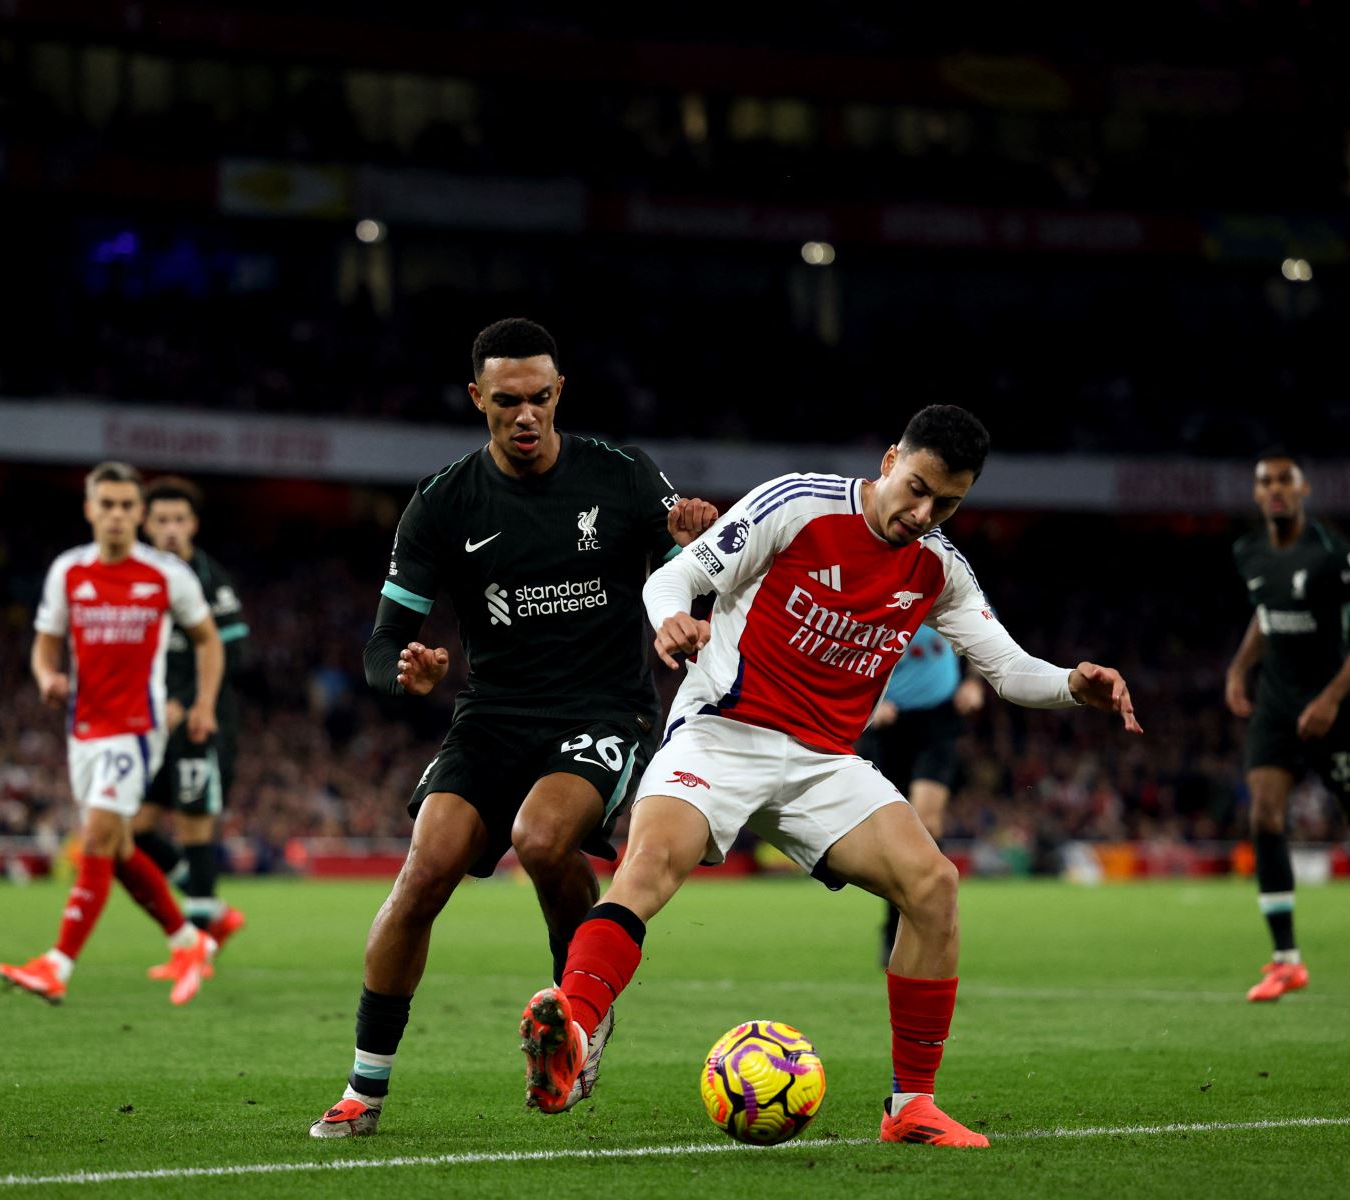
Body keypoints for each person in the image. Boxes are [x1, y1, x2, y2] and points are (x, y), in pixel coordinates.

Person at [517, 404, 1141, 1149]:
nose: (923, 513)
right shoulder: (799, 505)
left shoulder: (938, 567)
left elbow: (1006, 668)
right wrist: (670, 619)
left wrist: (1074, 682)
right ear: (888, 461)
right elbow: (677, 577)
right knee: (647, 868)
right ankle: (575, 1036)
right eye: (916, 488)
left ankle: (911, 1105)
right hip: (724, 732)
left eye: (947, 503)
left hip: (825, 763)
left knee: (933, 886)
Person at [309, 318, 717, 1138]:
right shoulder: (442, 501)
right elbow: (384, 640)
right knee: (424, 873)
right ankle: (364, 1090)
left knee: (540, 838)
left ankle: (579, 1021)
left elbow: (699, 558)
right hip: (491, 715)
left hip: (603, 707)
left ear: (559, 392)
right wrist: (402, 669)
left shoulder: (622, 475)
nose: (524, 416)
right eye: (506, 402)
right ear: (477, 400)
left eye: (538, 398)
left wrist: (694, 538)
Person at [0, 461, 226, 1006]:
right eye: (108, 505)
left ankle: (57, 964)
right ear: (90, 510)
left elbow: (208, 640)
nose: (118, 515)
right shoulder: (68, 572)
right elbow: (45, 641)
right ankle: (188, 940)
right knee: (118, 847)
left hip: (137, 729)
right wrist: (47, 676)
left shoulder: (166, 575)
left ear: (139, 514)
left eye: (128, 506)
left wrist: (204, 703)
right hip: (84, 728)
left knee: (97, 837)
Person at [1224, 450, 1350, 1004]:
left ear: (1303, 490)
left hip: (1336, 706)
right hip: (1277, 705)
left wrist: (1333, 698)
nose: (1276, 489)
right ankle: (1286, 961)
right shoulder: (1249, 551)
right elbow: (1267, 613)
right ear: (1257, 494)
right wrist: (1240, 667)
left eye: (1286, 480)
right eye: (1266, 482)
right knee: (1263, 813)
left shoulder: (1333, 553)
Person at [134, 476, 251, 962]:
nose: (170, 529)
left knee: (193, 825)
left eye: (179, 519)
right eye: (161, 520)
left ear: (194, 525)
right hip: (149, 724)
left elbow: (236, 653)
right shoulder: (137, 578)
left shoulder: (210, 579)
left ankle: (197, 946)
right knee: (132, 832)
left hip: (201, 723)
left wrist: (189, 701)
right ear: (145, 525)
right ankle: (210, 906)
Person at [856, 623, 983, 964]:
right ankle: (894, 924)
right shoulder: (874, 591)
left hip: (938, 722)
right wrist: (868, 704)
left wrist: (973, 681)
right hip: (886, 724)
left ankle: (928, 921)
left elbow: (982, 636)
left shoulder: (947, 584)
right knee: (894, 831)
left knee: (927, 822)